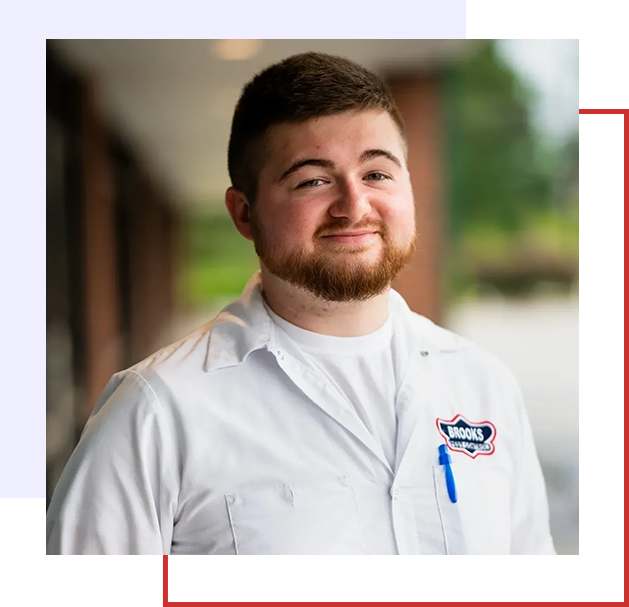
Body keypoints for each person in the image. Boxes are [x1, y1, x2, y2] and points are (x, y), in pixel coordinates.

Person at [46, 52, 555, 557]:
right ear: (244, 213)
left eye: (377, 174)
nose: (354, 205)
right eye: (312, 180)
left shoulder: (484, 383)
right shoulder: (156, 411)